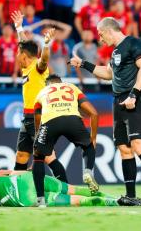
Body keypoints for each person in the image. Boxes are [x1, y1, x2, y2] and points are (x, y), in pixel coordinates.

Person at [70, 17, 141, 206]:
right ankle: (131, 196)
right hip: (118, 101)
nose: (100, 38)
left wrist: (134, 94)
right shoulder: (115, 52)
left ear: (109, 30)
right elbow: (108, 74)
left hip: (133, 100)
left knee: (138, 145)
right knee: (124, 149)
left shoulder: (134, 43)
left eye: (100, 34)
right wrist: (83, 64)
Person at [10, 11, 67, 182]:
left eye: (18, 53)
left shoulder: (37, 67)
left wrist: (47, 45)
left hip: (39, 118)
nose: (16, 55)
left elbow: (44, 60)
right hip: (27, 118)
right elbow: (23, 43)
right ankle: (17, 189)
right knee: (21, 155)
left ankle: (66, 189)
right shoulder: (27, 66)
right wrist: (19, 27)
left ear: (25, 56)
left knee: (48, 156)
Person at [32, 74, 99, 207]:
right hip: (72, 119)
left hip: (50, 121)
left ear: (48, 84)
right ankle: (88, 171)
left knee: (38, 157)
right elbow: (94, 113)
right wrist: (93, 138)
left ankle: (40, 200)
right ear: (60, 82)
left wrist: (39, 140)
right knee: (88, 146)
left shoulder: (42, 92)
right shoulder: (71, 87)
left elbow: (37, 116)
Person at [0, 171, 118, 207]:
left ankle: (114, 203)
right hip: (31, 178)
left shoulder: (4, 203)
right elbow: (13, 172)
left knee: (76, 201)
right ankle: (117, 198)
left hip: (28, 198)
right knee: (75, 189)